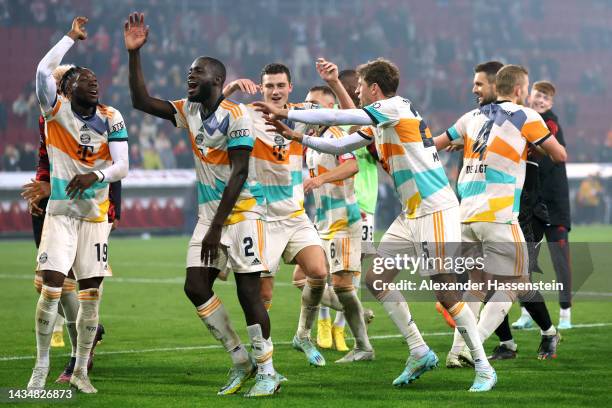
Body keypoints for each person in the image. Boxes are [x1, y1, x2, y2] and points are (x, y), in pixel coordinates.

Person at [255, 58, 496, 392]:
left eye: (360, 87)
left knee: (445, 288)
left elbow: (339, 116)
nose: (356, 92)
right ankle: (418, 350)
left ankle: (483, 367)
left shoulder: (395, 107)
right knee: (377, 279)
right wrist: (298, 138)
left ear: (374, 89)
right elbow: (340, 143)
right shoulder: (380, 122)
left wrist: (287, 113)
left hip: (436, 207)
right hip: (412, 211)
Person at [124, 13, 279, 397]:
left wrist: (214, 228)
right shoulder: (189, 111)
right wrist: (134, 55)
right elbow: (141, 101)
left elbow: (240, 173)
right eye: (188, 73)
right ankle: (240, 360)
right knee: (195, 286)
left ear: (217, 80)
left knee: (248, 293)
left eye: (196, 73)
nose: (189, 78)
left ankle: (268, 372)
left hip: (242, 214)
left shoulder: (237, 116)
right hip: (209, 217)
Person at [433, 64, 566, 373]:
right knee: (516, 281)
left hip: (465, 215)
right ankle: (473, 347)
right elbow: (559, 155)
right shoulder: (526, 117)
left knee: (476, 287)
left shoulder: (471, 117)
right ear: (519, 90)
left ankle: (456, 352)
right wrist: (532, 146)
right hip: (499, 215)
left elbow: (436, 144)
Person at [28, 16, 129, 393]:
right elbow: (42, 69)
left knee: (91, 296)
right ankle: (40, 367)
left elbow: (122, 167)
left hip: (95, 219)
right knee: (51, 287)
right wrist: (71, 37)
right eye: (85, 79)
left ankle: (82, 368)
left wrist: (96, 177)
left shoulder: (112, 116)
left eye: (96, 79)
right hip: (61, 216)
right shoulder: (54, 112)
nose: (94, 82)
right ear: (67, 88)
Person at [22, 63, 114, 383]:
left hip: (86, 208)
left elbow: (108, 164)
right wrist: (42, 187)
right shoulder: (48, 117)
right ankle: (87, 334)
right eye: (59, 81)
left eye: (61, 81)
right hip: (51, 205)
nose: (58, 86)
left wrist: (111, 210)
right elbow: (45, 158)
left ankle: (79, 355)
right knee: (46, 283)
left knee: (67, 284)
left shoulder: (100, 119)